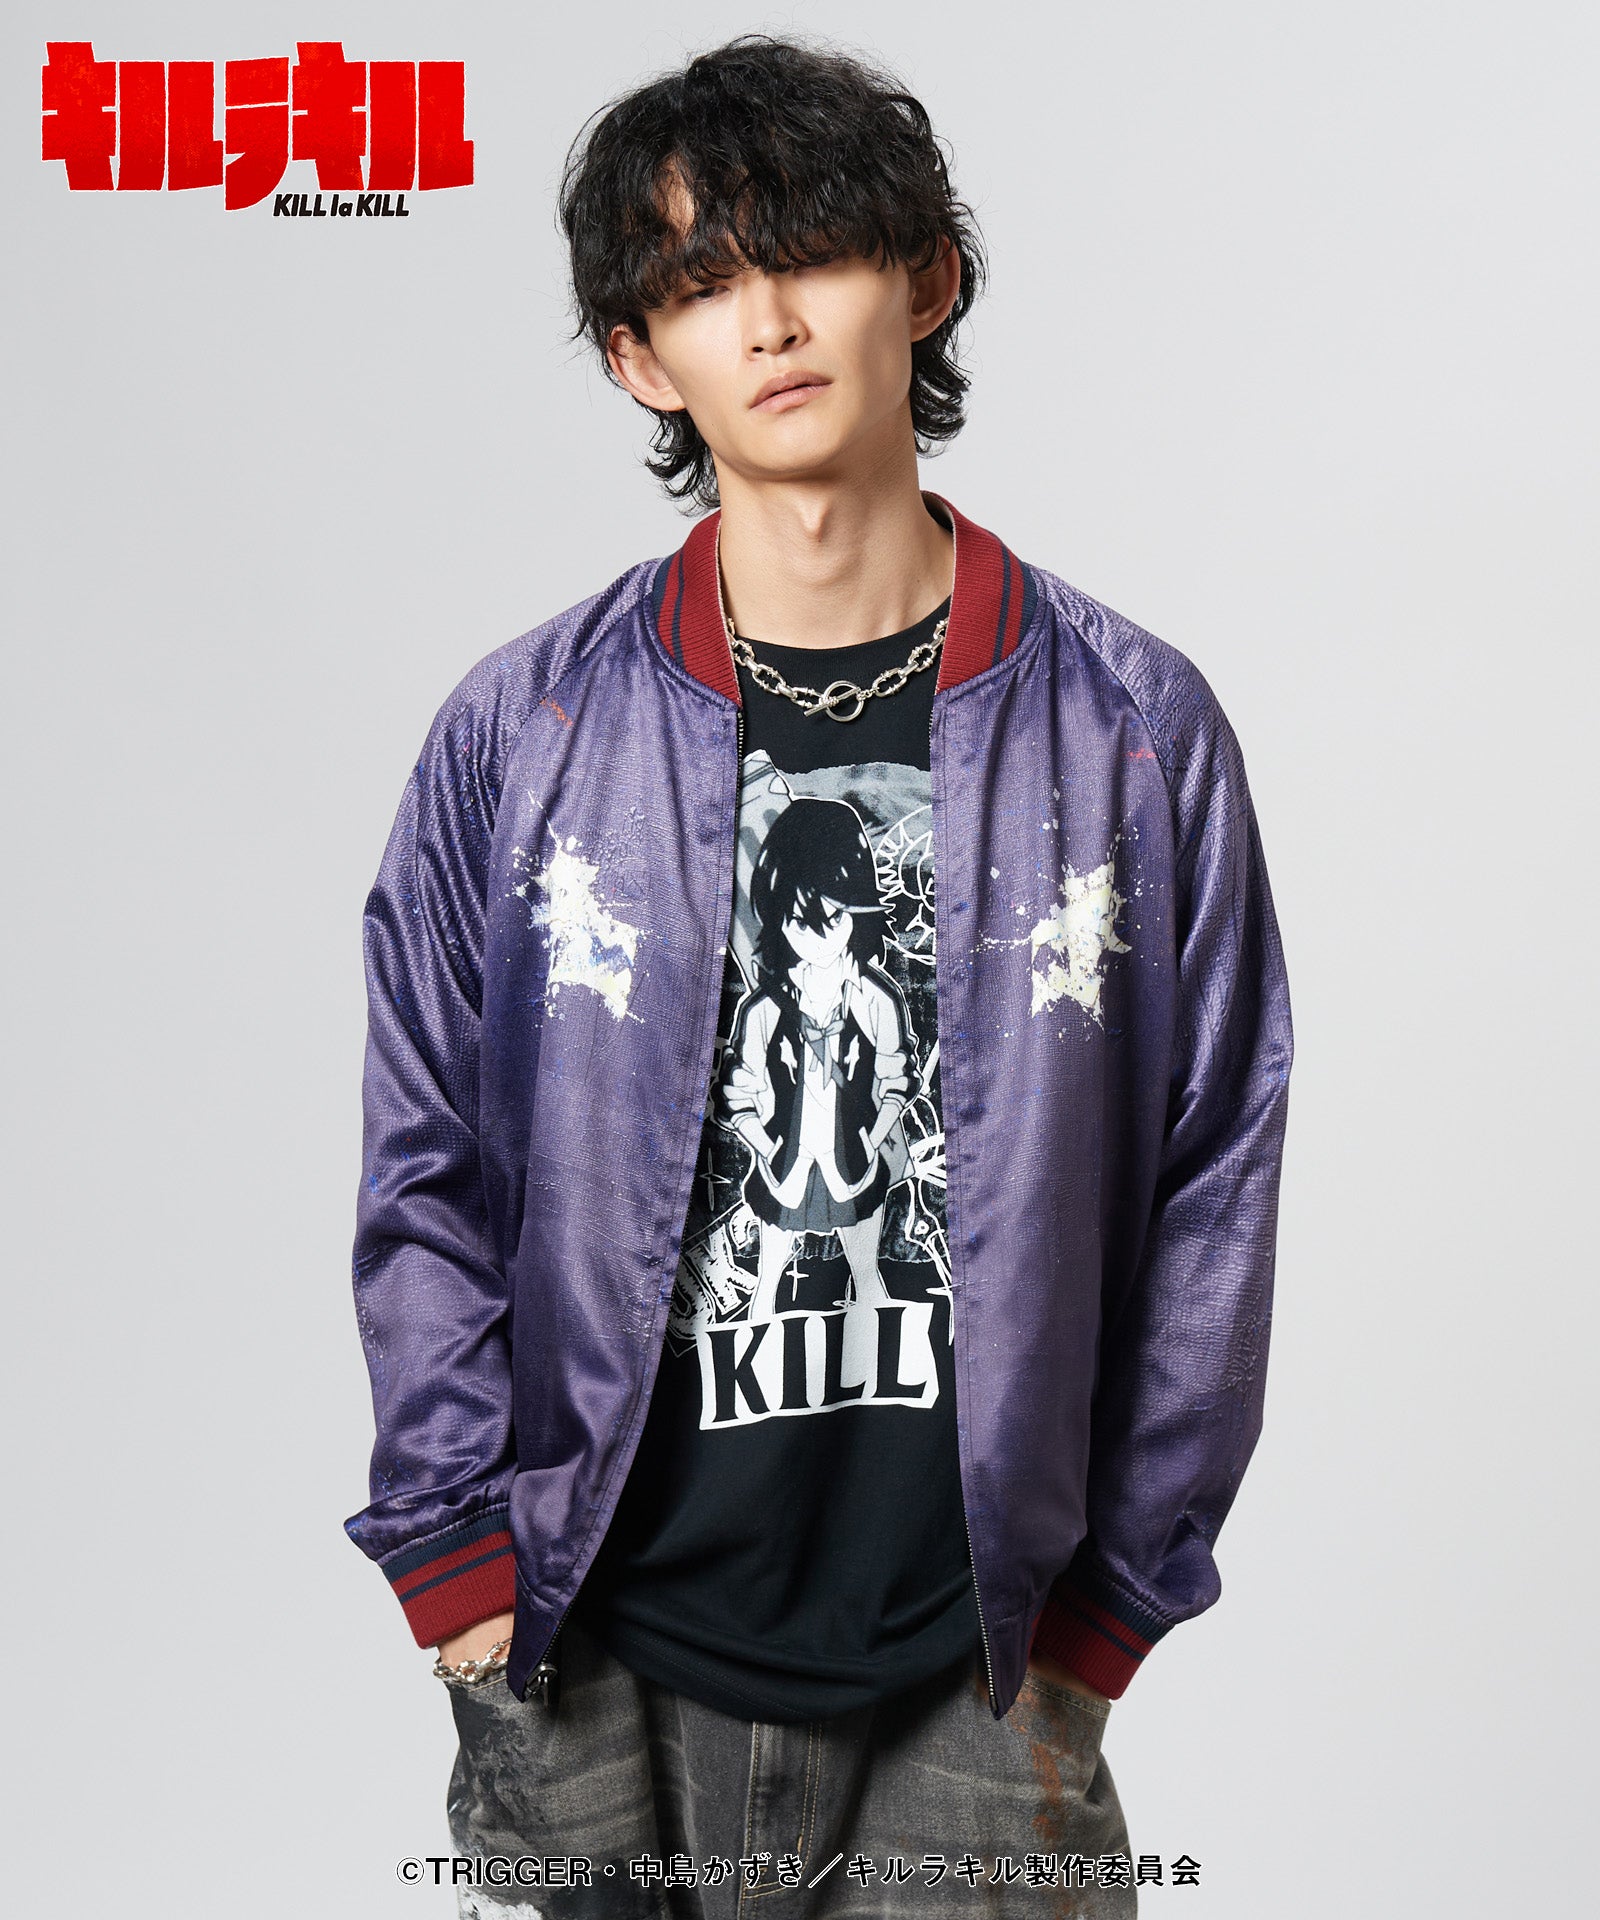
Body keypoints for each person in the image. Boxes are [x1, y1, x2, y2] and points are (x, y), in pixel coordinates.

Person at [344, 32, 1292, 1919]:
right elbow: (423, 1164)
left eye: (815, 254)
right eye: (702, 285)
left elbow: (1217, 1177)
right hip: (588, 1639)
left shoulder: (1126, 728)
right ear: (640, 359)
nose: (769, 323)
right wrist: (462, 1583)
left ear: (924, 280)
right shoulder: (526, 733)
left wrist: (1104, 1620)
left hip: (981, 1667)